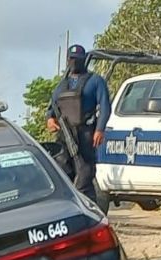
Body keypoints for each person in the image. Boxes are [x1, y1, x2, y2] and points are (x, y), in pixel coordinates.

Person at [46, 44, 111, 201]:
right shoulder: (62, 84)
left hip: (86, 134)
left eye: (78, 59)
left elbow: (105, 106)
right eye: (72, 59)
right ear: (68, 60)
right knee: (63, 174)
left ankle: (89, 211)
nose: (74, 62)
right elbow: (52, 107)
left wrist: (100, 129)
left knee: (84, 176)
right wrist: (50, 119)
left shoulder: (95, 81)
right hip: (65, 135)